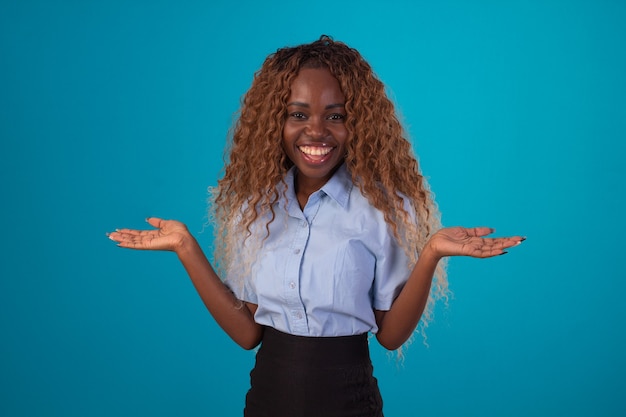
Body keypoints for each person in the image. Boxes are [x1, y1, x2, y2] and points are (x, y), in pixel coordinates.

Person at [107, 35, 524, 417]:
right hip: (266, 400)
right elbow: (249, 334)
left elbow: (391, 337)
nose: (316, 131)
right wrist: (186, 248)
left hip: (350, 401)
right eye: (298, 114)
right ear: (276, 121)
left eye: (335, 115)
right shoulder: (255, 209)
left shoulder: (384, 210)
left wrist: (431, 252)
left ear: (357, 123)